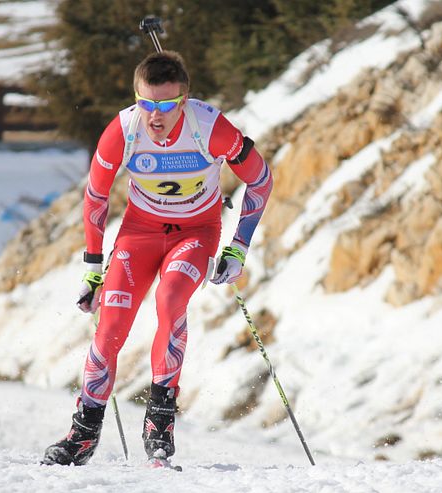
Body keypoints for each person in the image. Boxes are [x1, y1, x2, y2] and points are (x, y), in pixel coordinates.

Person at [43, 50, 273, 466]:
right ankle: (83, 432)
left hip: (195, 234)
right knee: (111, 324)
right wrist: (93, 268)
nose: (156, 114)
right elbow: (95, 196)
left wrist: (238, 246)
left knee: (170, 301)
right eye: (147, 102)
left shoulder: (210, 128)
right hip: (139, 233)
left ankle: (160, 423)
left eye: (166, 104)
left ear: (184, 100)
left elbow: (259, 179)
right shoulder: (124, 129)